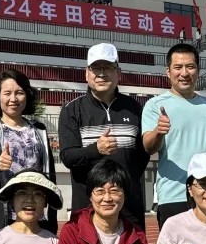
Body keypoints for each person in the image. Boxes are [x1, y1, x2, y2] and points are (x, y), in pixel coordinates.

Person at [58, 43, 149, 227]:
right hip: (87, 210)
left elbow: (142, 156)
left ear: (118, 73)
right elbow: (67, 157)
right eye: (96, 68)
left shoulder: (135, 109)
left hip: (129, 209)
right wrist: (96, 150)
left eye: (107, 67)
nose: (101, 74)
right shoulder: (72, 110)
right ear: (87, 74)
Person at [142, 43, 206, 229]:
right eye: (178, 67)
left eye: (190, 67)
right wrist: (158, 132)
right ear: (168, 72)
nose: (184, 73)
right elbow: (148, 147)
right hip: (173, 195)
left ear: (198, 70)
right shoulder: (155, 105)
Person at [0, 69, 57, 232]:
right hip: (2, 214)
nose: (13, 99)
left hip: (35, 211)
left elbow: (49, 171)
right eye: (7, 93)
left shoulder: (39, 130)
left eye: (19, 93)